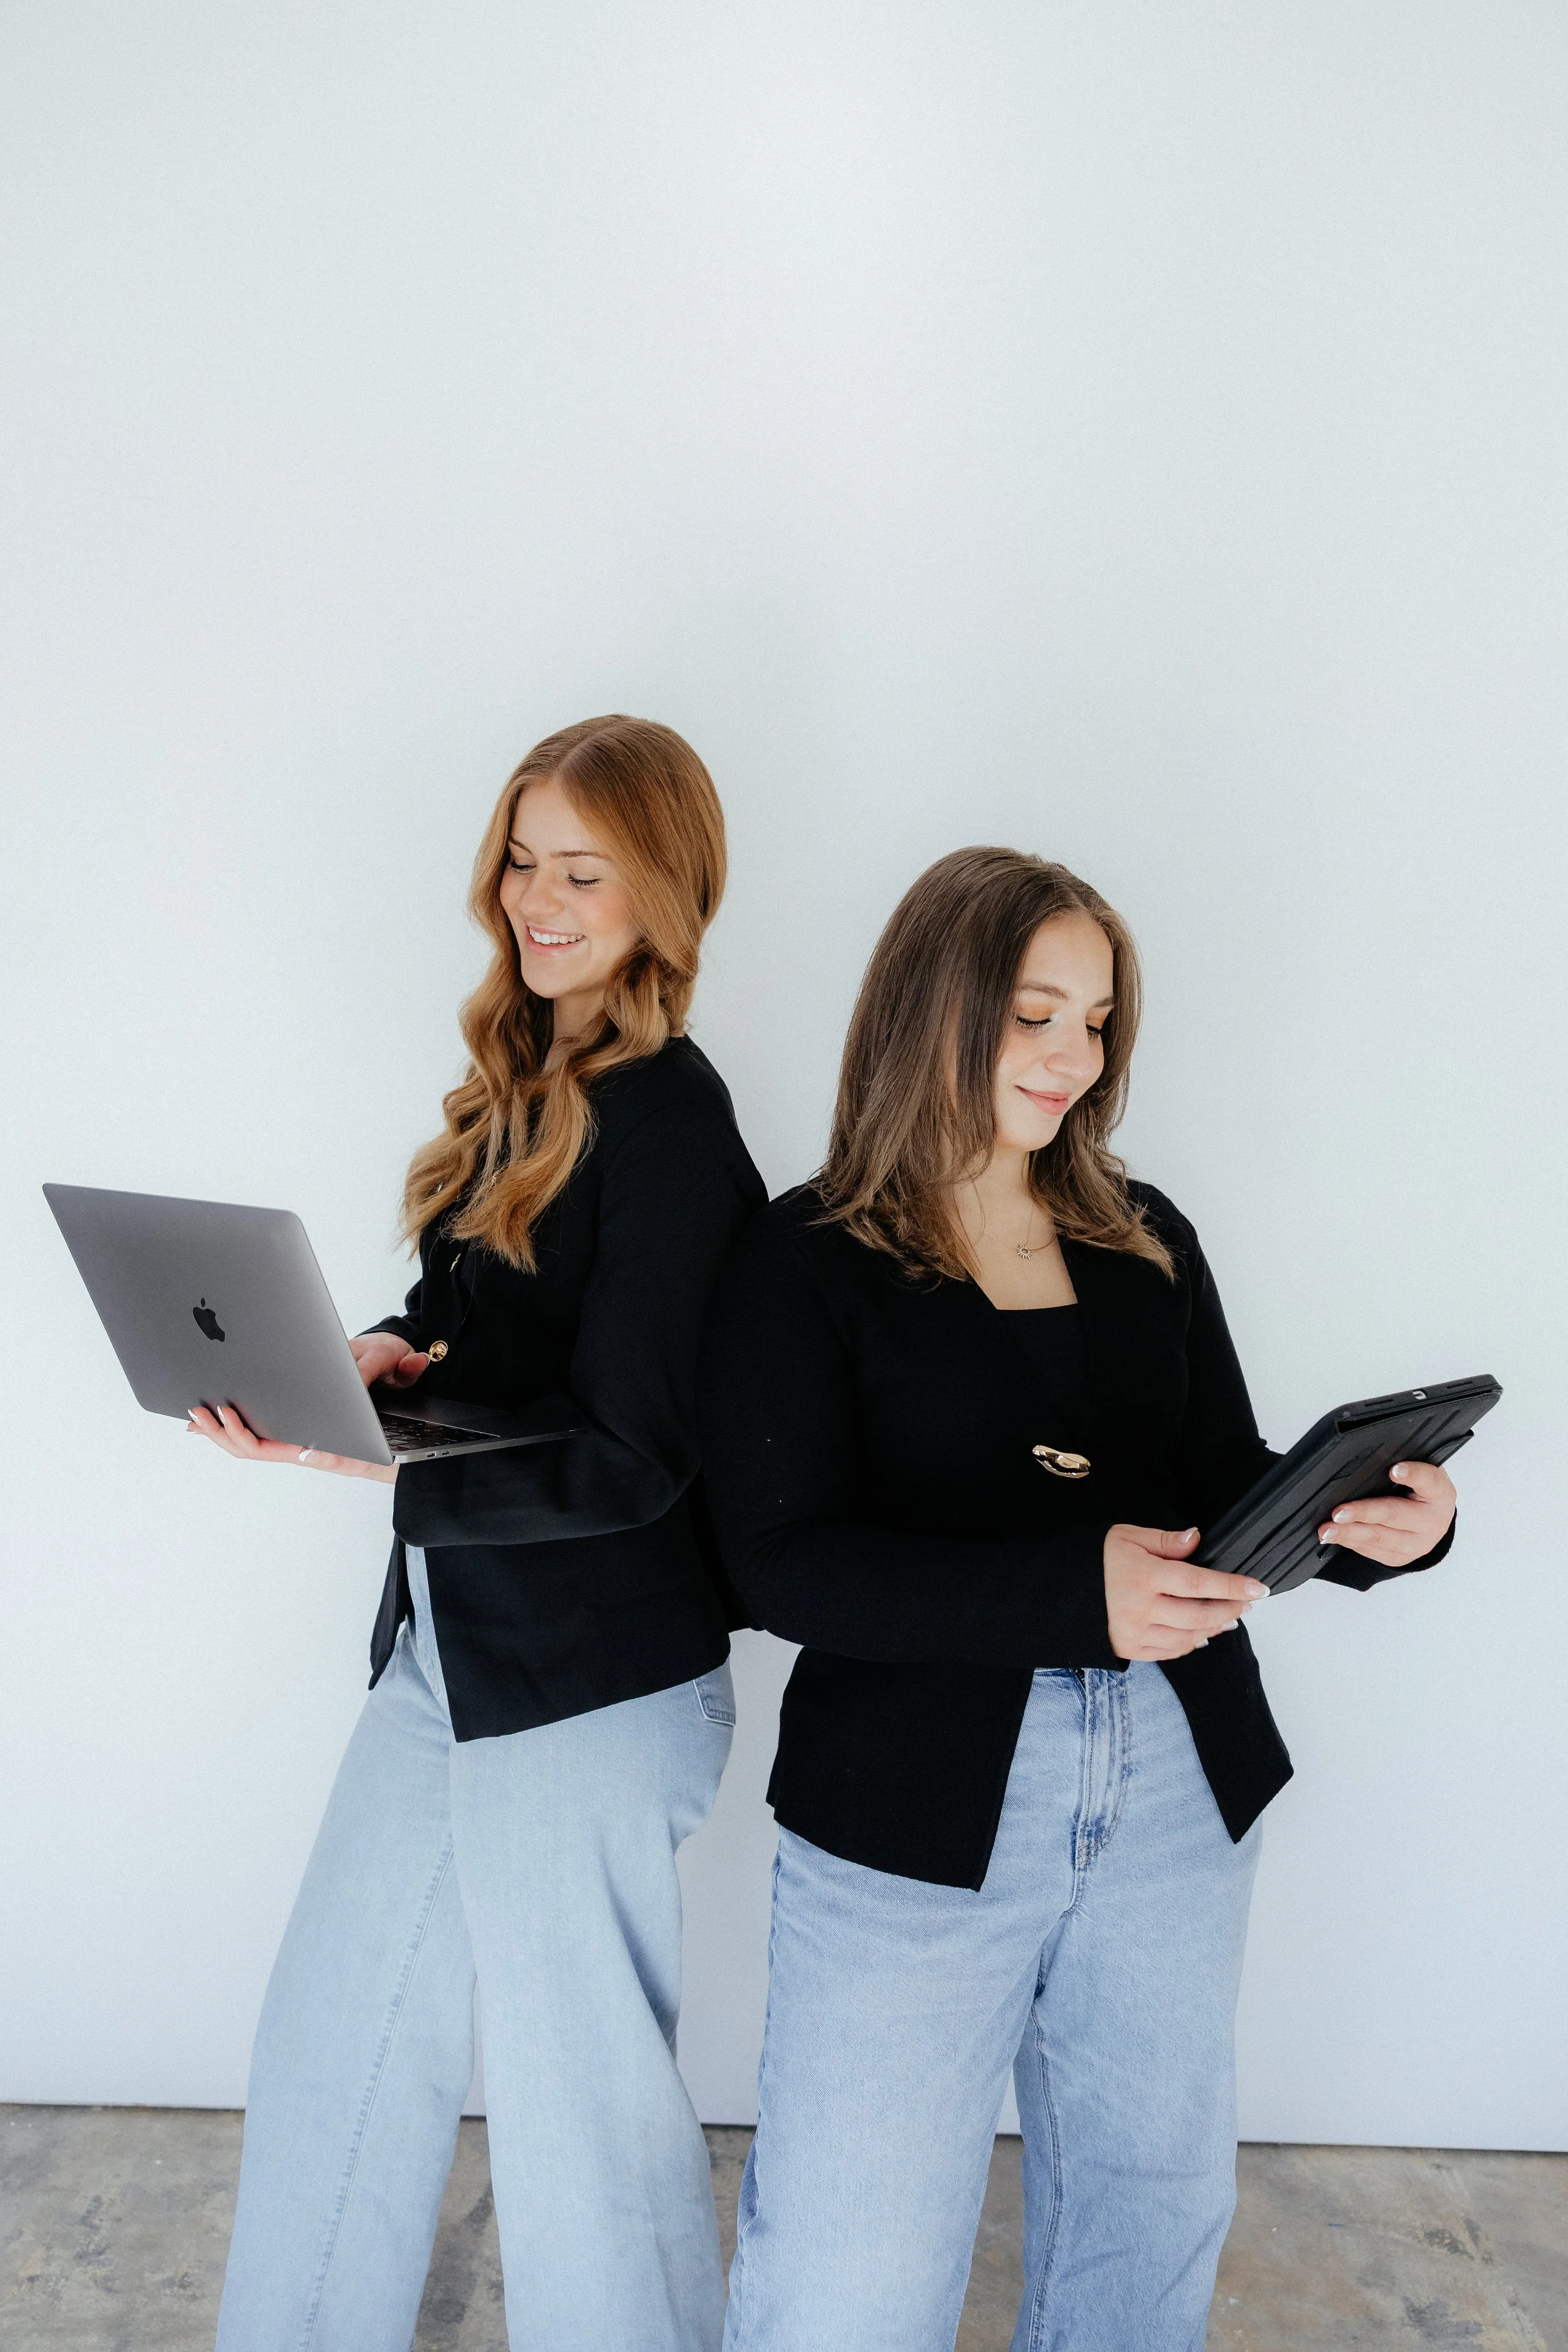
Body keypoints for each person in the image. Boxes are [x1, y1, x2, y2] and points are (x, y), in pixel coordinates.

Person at [698, 846, 1457, 2352]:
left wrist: (1385, 1526)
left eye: (1096, 1021)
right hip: (910, 1821)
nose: (1073, 1056)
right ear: (936, 1008)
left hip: (1176, 1793)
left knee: (1147, 2217)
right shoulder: (806, 1258)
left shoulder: (1141, 1233)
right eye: (1033, 1015)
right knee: (847, 2275)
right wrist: (1067, 1596)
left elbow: (1226, 1477)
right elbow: (775, 1562)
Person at [193, 716, 765, 2352]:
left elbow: (638, 1456)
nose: (536, 895)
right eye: (523, 856)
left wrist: (389, 1469)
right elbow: (494, 1342)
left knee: (582, 2127)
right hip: (454, 1648)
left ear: (665, 890)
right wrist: (379, 1360)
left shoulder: (672, 1126)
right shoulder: (527, 1087)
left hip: (588, 1682)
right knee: (334, 2045)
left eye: (581, 868)